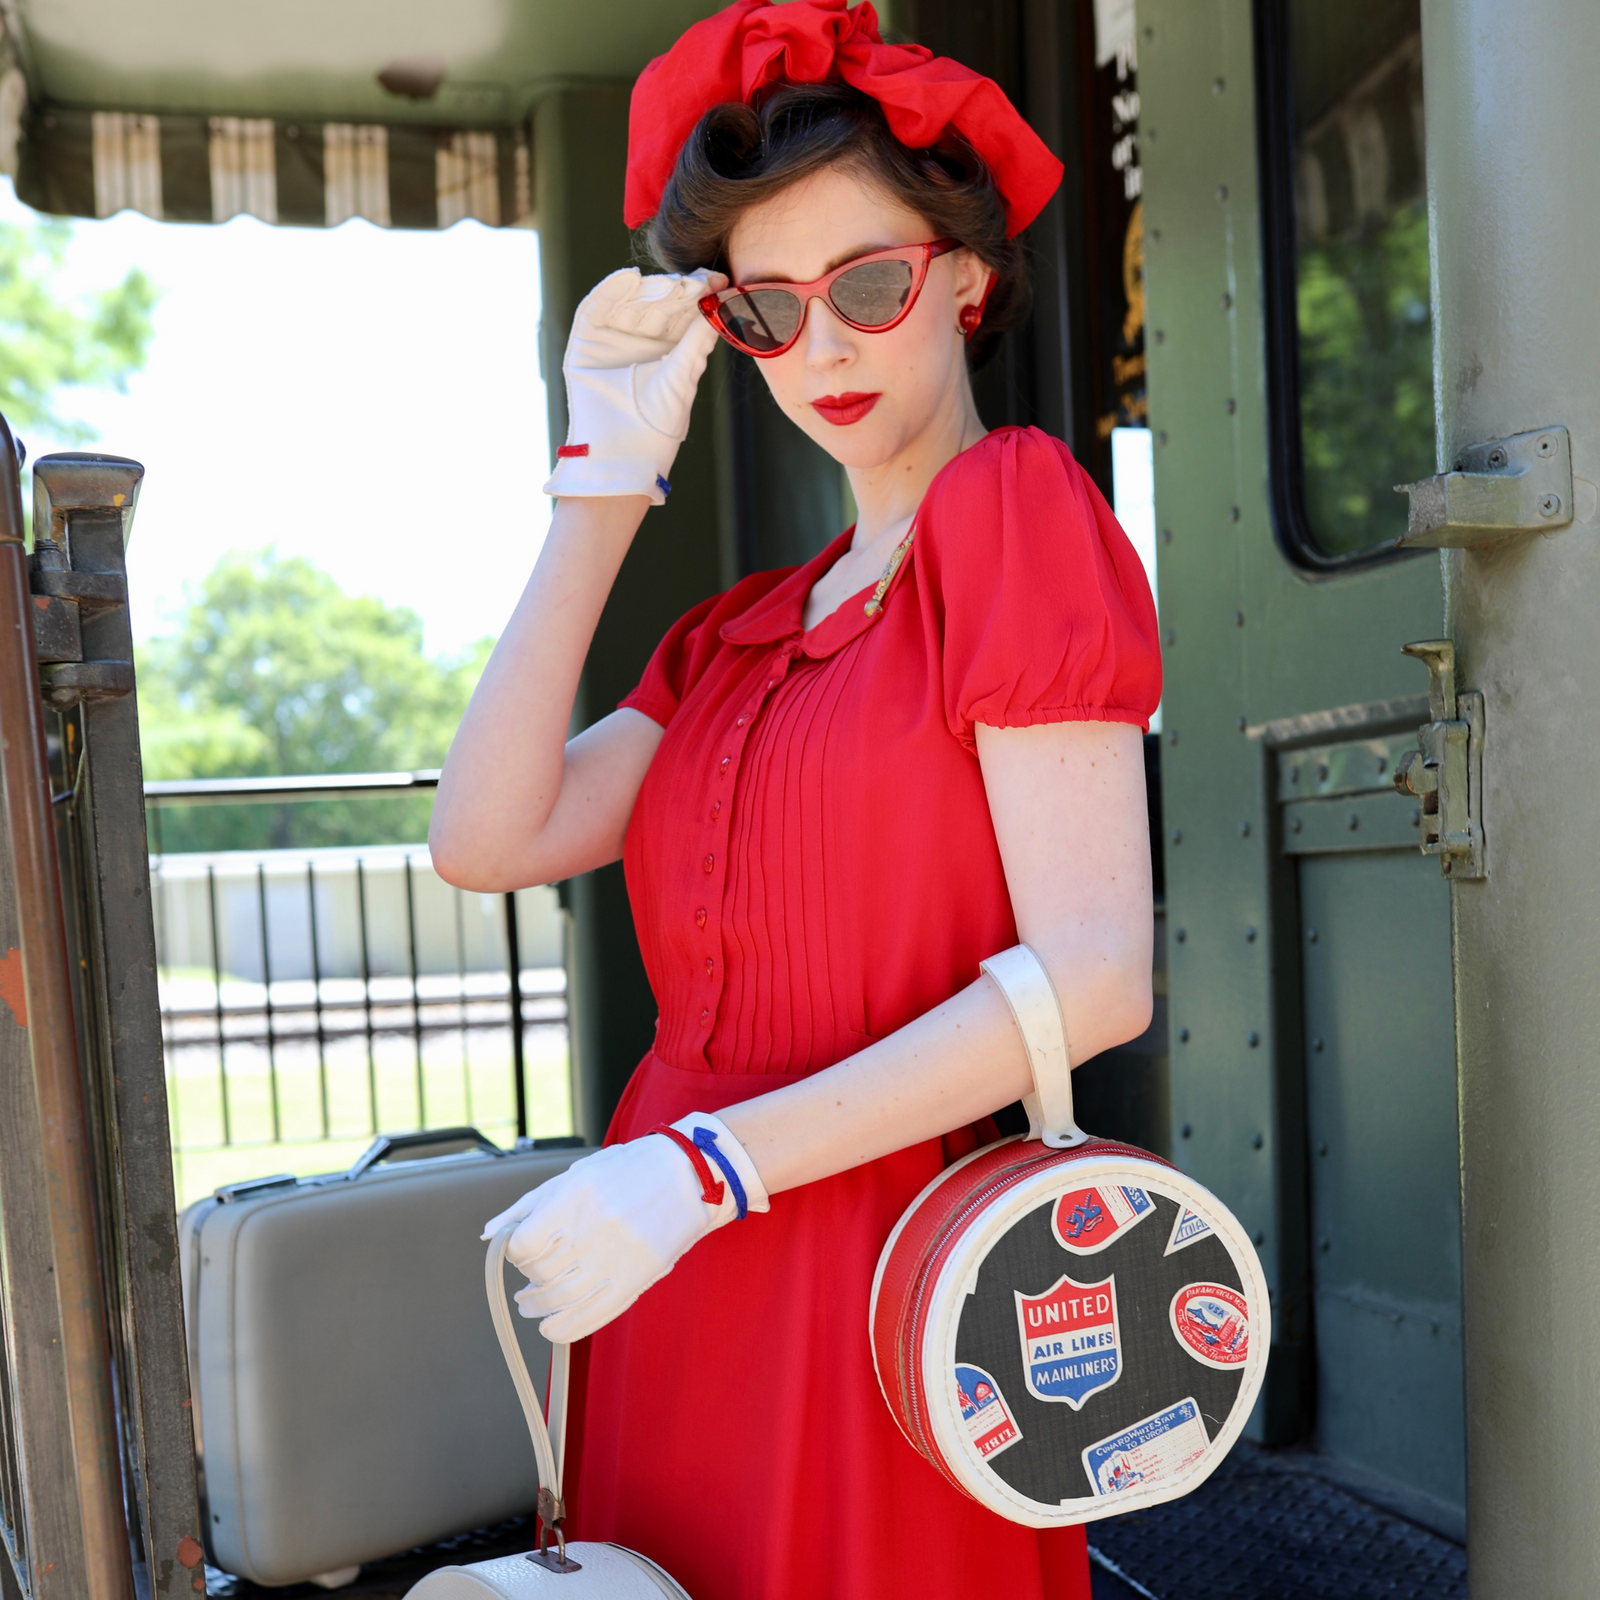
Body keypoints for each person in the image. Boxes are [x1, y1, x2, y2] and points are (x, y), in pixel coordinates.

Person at [429, 2, 1161, 1595]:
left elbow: (1098, 976)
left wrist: (710, 1171)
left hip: (890, 1275)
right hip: (670, 1262)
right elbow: (485, 839)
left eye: (872, 286)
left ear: (966, 277)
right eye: (768, 309)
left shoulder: (1017, 524)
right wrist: (600, 487)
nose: (822, 348)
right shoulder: (745, 625)